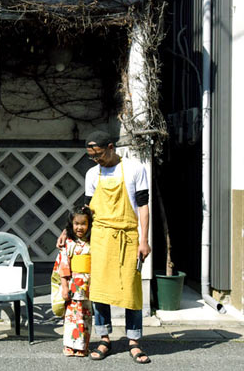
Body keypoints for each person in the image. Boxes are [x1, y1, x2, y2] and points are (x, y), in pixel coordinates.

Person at [57, 130, 151, 364]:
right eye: (92, 156)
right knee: (98, 291)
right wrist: (66, 231)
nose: (96, 159)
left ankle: (134, 341)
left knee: (131, 290)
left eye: (98, 154)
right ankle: (104, 338)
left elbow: (143, 207)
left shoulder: (135, 169)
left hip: (127, 236)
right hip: (99, 236)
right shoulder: (92, 173)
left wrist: (144, 240)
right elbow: (86, 210)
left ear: (111, 147)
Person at [54, 206, 93, 357]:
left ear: (89, 224)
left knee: (85, 315)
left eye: (83, 223)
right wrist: (64, 287)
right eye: (76, 223)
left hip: (88, 283)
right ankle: (69, 345)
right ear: (71, 224)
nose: (80, 227)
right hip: (72, 284)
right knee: (71, 317)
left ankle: (83, 346)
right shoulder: (68, 242)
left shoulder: (92, 242)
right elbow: (64, 266)